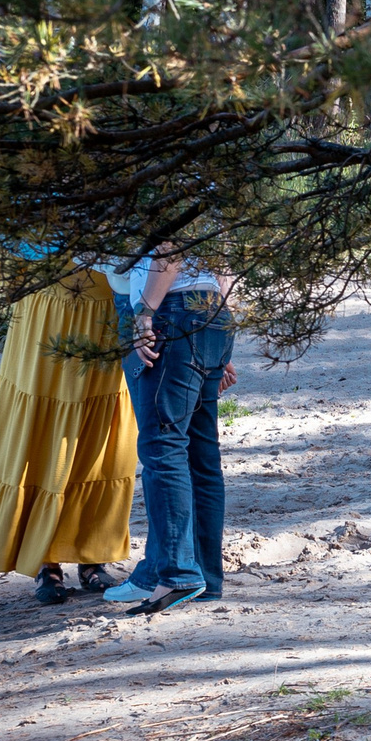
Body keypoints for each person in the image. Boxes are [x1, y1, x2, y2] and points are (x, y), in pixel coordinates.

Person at [0, 258, 138, 604]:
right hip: (46, 300)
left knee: (100, 433)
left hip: (108, 299)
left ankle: (92, 553)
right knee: (42, 430)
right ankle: (46, 561)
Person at [101, 248, 238, 615]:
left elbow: (169, 249)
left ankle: (178, 574)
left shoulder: (166, 191)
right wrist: (219, 330)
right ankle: (207, 578)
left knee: (163, 447)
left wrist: (145, 313)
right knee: (202, 456)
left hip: (172, 312)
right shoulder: (210, 189)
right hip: (212, 311)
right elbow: (223, 255)